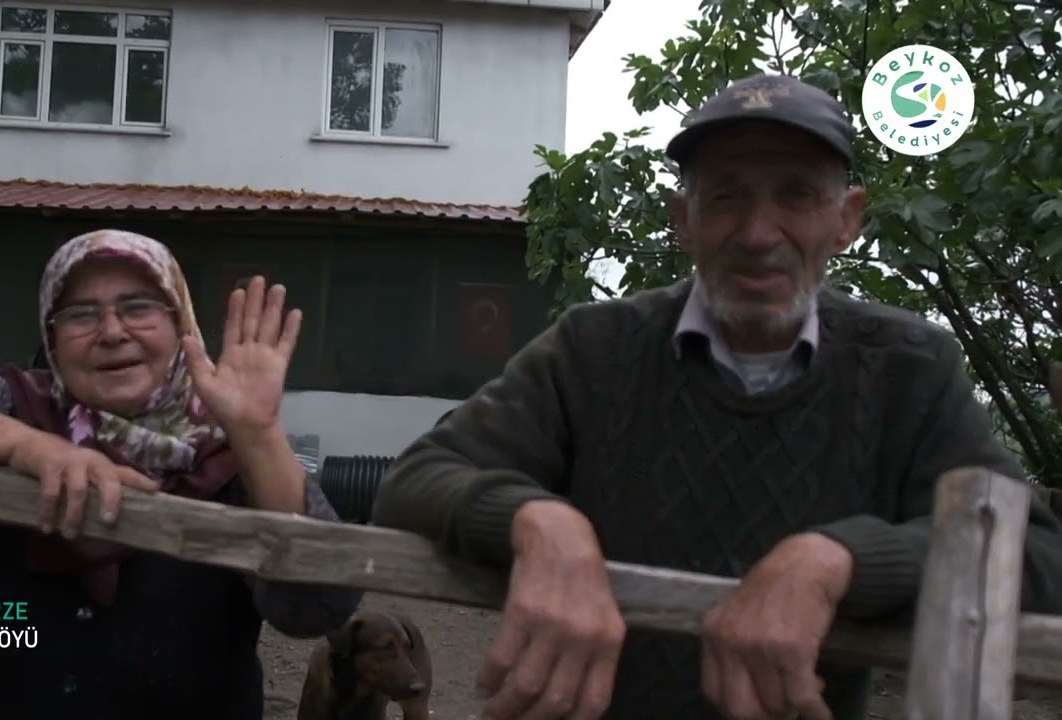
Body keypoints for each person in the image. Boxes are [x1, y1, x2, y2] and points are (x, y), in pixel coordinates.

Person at [370, 73, 1062, 720]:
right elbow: (415, 479)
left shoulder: (910, 367)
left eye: (797, 195)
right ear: (684, 219)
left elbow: (1035, 554)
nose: (759, 234)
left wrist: (840, 559)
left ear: (847, 219)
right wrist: (538, 522)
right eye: (726, 196)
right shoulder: (593, 348)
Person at [0, 229, 362, 720]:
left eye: (139, 307)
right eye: (82, 314)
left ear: (181, 325)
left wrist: (258, 434)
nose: (111, 331)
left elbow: (318, 608)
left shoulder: (228, 446)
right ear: (51, 336)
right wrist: (29, 448)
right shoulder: (20, 405)